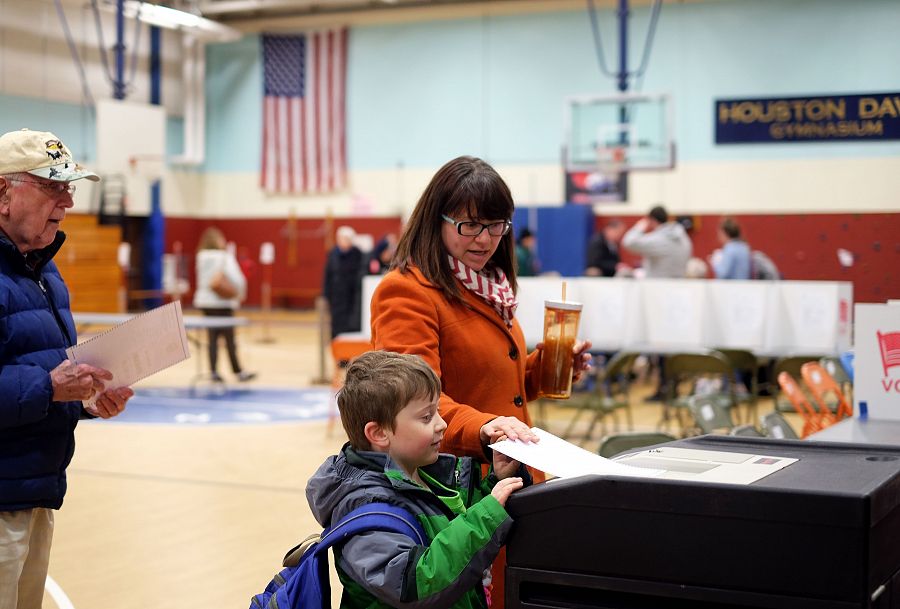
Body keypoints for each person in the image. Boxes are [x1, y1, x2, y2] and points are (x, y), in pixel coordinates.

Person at [369, 155, 591, 608]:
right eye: (470, 225)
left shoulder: (488, 286)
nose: (485, 238)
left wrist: (543, 368)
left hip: (507, 474)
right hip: (453, 488)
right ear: (437, 220)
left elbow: (495, 384)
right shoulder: (407, 291)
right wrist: (485, 428)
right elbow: (412, 402)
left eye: (496, 225)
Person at [0, 128, 133, 609]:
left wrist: (87, 399)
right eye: (53, 186)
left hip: (35, 489)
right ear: (3, 195)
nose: (69, 201)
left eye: (70, 186)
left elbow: (43, 376)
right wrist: (47, 385)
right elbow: (40, 380)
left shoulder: (44, 271)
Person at [306, 350, 528, 609]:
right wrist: (487, 516)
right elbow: (416, 584)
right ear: (378, 433)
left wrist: (498, 480)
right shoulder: (365, 510)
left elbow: (451, 525)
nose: (442, 424)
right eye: (426, 417)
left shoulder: (421, 474)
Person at [193, 226, 256, 383]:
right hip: (222, 303)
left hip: (205, 303)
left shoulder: (201, 257)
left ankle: (213, 371)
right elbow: (237, 279)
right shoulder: (224, 257)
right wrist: (240, 294)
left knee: (212, 338)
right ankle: (238, 371)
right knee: (229, 339)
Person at [621, 205, 692, 278]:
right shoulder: (683, 237)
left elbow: (628, 242)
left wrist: (639, 227)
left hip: (658, 285)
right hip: (679, 284)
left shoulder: (658, 239)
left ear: (651, 220)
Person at [323, 225, 364, 338]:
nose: (343, 241)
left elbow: (360, 274)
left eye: (346, 239)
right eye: (340, 238)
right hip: (336, 296)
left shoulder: (357, 254)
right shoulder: (333, 254)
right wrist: (326, 294)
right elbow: (328, 275)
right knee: (336, 323)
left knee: (351, 324)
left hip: (352, 297)